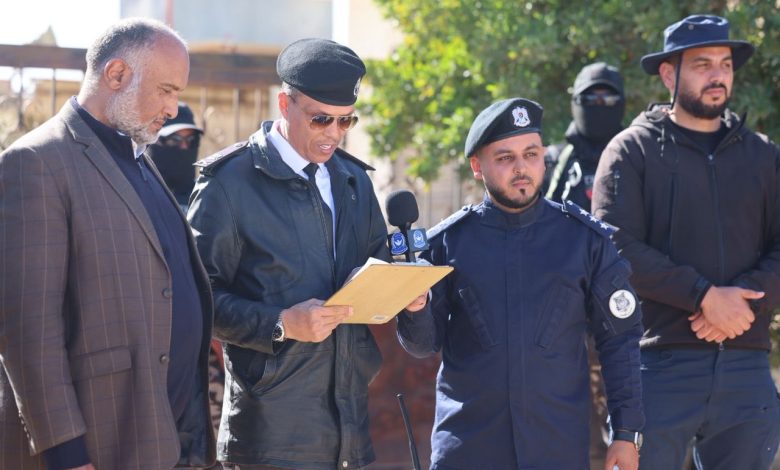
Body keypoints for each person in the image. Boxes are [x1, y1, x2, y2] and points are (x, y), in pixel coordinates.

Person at [187, 38, 426, 470]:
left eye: (346, 120)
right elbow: (196, 300)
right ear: (285, 104)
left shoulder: (354, 181)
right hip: (270, 435)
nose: (333, 133)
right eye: (320, 119)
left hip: (349, 429)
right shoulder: (229, 182)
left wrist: (404, 292)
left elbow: (375, 270)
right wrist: (281, 323)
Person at [0, 18, 215, 470]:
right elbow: (28, 330)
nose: (173, 108)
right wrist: (66, 454)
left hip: (165, 438)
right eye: (166, 90)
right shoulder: (35, 162)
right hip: (99, 443)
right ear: (116, 74)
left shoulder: (138, 157)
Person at [396, 97, 644, 470]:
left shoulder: (584, 241)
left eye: (531, 154)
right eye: (505, 157)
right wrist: (415, 309)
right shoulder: (446, 244)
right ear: (477, 166)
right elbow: (422, 345)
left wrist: (625, 432)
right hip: (468, 448)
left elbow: (620, 341)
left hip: (555, 448)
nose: (521, 168)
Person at [592, 14, 780, 470]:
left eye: (725, 64)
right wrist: (702, 296)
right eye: (702, 64)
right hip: (658, 364)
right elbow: (614, 246)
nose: (718, 75)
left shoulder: (762, 155)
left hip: (746, 366)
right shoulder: (631, 150)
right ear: (668, 74)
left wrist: (742, 302)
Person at [545, 61, 625, 211]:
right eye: (589, 99)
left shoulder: (637, 161)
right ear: (574, 103)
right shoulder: (551, 162)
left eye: (609, 99)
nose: (599, 105)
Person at [147, 101, 204, 209]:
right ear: (154, 141)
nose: (184, 147)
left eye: (191, 140)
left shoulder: (204, 197)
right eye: (174, 140)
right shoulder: (138, 193)